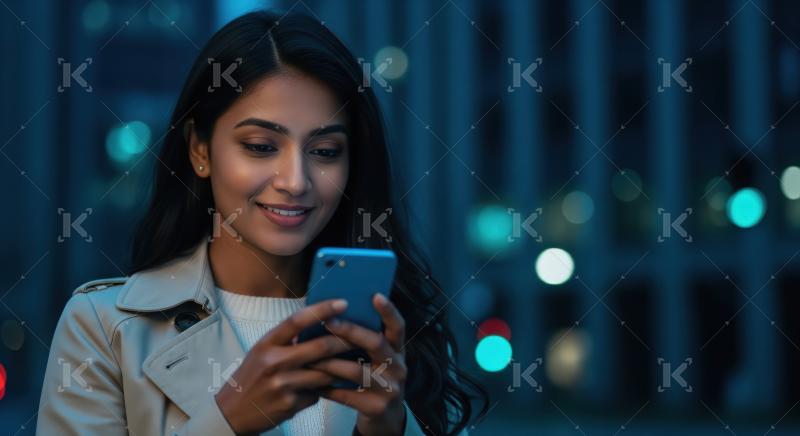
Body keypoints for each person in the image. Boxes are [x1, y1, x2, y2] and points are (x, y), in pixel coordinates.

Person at [36, 9, 487, 436]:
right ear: (199, 151)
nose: (295, 181)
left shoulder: (401, 336)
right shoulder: (102, 328)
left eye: (325, 151)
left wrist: (393, 429)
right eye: (260, 146)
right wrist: (228, 418)